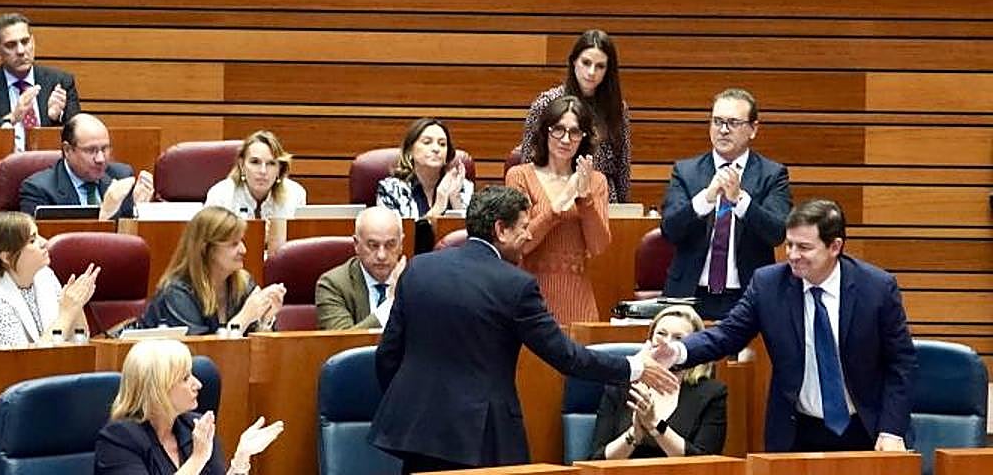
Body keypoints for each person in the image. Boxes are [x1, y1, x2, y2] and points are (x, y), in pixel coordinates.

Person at [368, 185, 678, 473]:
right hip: (479, 436)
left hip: (414, 429)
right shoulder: (515, 286)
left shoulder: (420, 268)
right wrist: (633, 367)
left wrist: (407, 403)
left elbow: (388, 354)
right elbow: (566, 356)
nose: (529, 235)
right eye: (523, 227)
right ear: (500, 230)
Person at [652, 199, 917, 454]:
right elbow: (727, 334)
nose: (792, 255)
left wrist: (891, 430)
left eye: (804, 247)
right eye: (789, 244)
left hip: (867, 428)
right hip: (797, 432)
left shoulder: (877, 288)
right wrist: (677, 351)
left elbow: (901, 363)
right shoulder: (768, 284)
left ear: (835, 246)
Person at [660, 88, 792, 320]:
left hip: (747, 296)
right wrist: (706, 199)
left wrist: (740, 200)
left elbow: (777, 232)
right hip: (689, 295)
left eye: (732, 123)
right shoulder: (686, 171)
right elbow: (670, 230)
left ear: (753, 129)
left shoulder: (772, 175)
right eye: (717, 121)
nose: (723, 130)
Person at [94, 338, 284, 475]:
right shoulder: (118, 440)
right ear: (158, 388)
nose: (198, 384)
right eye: (185, 378)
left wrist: (241, 458)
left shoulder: (194, 427)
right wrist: (197, 459)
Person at [506, 95, 611, 324]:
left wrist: (584, 199)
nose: (566, 139)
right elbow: (521, 244)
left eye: (574, 132)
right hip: (530, 300)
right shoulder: (520, 176)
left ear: (583, 137)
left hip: (578, 304)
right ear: (545, 131)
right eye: (558, 129)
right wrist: (558, 205)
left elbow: (599, 245)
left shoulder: (595, 181)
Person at [590, 305, 727, 459]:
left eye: (678, 338)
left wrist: (655, 425)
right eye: (661, 334)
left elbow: (706, 463)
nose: (666, 344)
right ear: (649, 340)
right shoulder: (620, 387)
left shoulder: (712, 394)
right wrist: (634, 435)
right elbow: (596, 460)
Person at [139, 206, 286, 336]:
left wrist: (264, 320)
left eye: (242, 241)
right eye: (233, 244)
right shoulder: (177, 293)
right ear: (206, 249)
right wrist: (245, 316)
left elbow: (253, 351)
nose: (243, 250)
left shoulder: (244, 284)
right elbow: (201, 359)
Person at [521, 30, 631, 203]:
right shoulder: (546, 103)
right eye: (586, 63)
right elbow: (528, 161)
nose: (591, 72)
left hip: (602, 198)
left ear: (608, 70)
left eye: (600, 66)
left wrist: (623, 210)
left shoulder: (616, 108)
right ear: (574, 62)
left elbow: (622, 168)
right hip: (553, 194)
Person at [0, 211, 99, 346]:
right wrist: (67, 312)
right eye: (32, 240)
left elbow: (78, 342)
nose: (44, 242)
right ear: (7, 257)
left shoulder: (45, 277)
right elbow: (22, 360)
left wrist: (76, 305)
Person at [0, 12, 81, 151]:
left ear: (33, 42)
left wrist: (55, 118)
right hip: (2, 163)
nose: (21, 50)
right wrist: (12, 118)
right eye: (11, 45)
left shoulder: (60, 82)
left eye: (25, 42)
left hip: (49, 166)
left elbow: (79, 138)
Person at [18, 113, 154, 220]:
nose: (100, 159)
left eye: (105, 148)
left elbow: (129, 240)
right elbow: (42, 245)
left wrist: (138, 210)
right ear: (67, 150)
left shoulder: (121, 176)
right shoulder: (38, 190)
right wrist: (106, 214)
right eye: (91, 150)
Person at [375, 118, 472, 252]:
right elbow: (396, 240)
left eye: (442, 144)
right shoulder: (391, 190)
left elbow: (472, 239)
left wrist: (455, 200)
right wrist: (439, 204)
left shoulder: (464, 187)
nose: (436, 149)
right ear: (410, 150)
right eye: (427, 142)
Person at [205, 131, 307, 256]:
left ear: (279, 169)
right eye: (255, 162)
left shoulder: (295, 194)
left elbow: (298, 248)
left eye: (271, 163)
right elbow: (208, 247)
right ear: (242, 165)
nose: (263, 171)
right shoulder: (221, 194)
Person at [315, 205, 406, 330]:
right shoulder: (333, 285)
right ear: (356, 244)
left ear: (401, 244)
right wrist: (391, 303)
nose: (381, 255)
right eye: (373, 245)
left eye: (390, 245)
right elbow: (342, 343)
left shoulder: (417, 282)